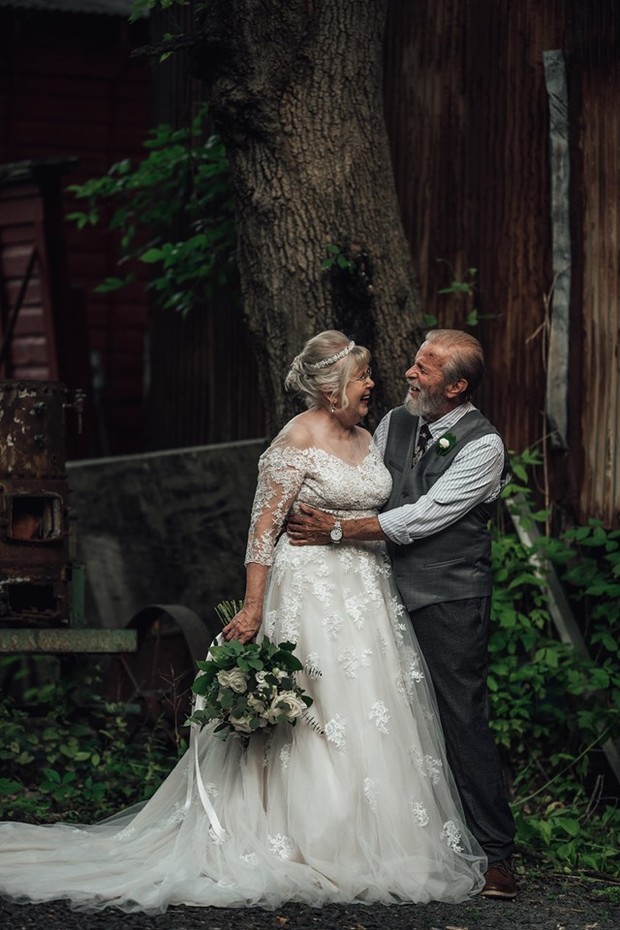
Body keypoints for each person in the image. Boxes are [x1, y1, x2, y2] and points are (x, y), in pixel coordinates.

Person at [0, 330, 487, 914]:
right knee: (313, 710)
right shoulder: (294, 442)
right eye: (362, 378)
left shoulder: (371, 434)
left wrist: (339, 528)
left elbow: (396, 511)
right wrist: (254, 607)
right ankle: (306, 838)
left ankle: (379, 842)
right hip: (308, 589)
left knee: (370, 709)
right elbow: (262, 533)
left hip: (368, 592)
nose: (376, 383)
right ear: (332, 391)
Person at [287, 329, 518, 899]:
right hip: (377, 592)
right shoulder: (394, 421)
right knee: (387, 713)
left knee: (459, 714)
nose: (411, 374)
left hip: (448, 595)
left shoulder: (483, 446)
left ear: (457, 386)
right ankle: (406, 839)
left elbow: (420, 516)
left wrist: (337, 529)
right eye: (415, 362)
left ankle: (496, 853)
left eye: (427, 368)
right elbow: (376, 488)